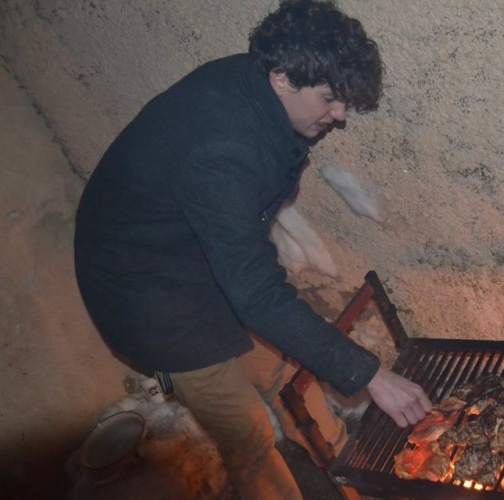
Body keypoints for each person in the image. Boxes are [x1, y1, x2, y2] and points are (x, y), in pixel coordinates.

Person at [73, 0, 432, 498]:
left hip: (196, 254)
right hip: (148, 299)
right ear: (282, 77)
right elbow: (257, 295)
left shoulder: (258, 88)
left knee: (284, 373)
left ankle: (346, 475)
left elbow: (246, 274)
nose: (340, 115)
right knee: (249, 434)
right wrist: (369, 374)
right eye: (330, 98)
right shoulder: (223, 151)